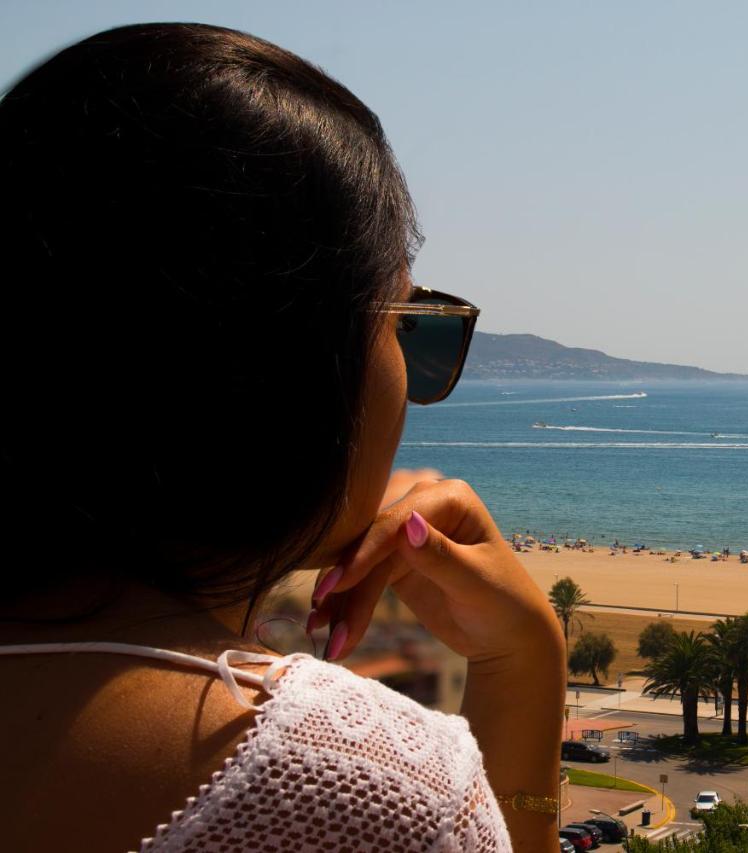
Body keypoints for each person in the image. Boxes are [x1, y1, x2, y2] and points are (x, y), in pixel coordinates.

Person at [0, 23, 564, 851]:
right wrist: (525, 667)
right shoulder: (362, 788)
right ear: (291, 367)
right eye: (406, 321)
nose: (412, 374)